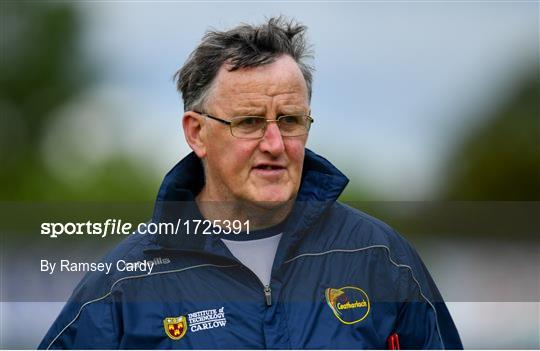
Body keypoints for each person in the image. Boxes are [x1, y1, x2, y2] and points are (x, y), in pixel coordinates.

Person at [39, 17, 463, 349]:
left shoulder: (382, 259)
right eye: (249, 122)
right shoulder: (122, 285)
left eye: (291, 120)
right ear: (196, 133)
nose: (275, 144)